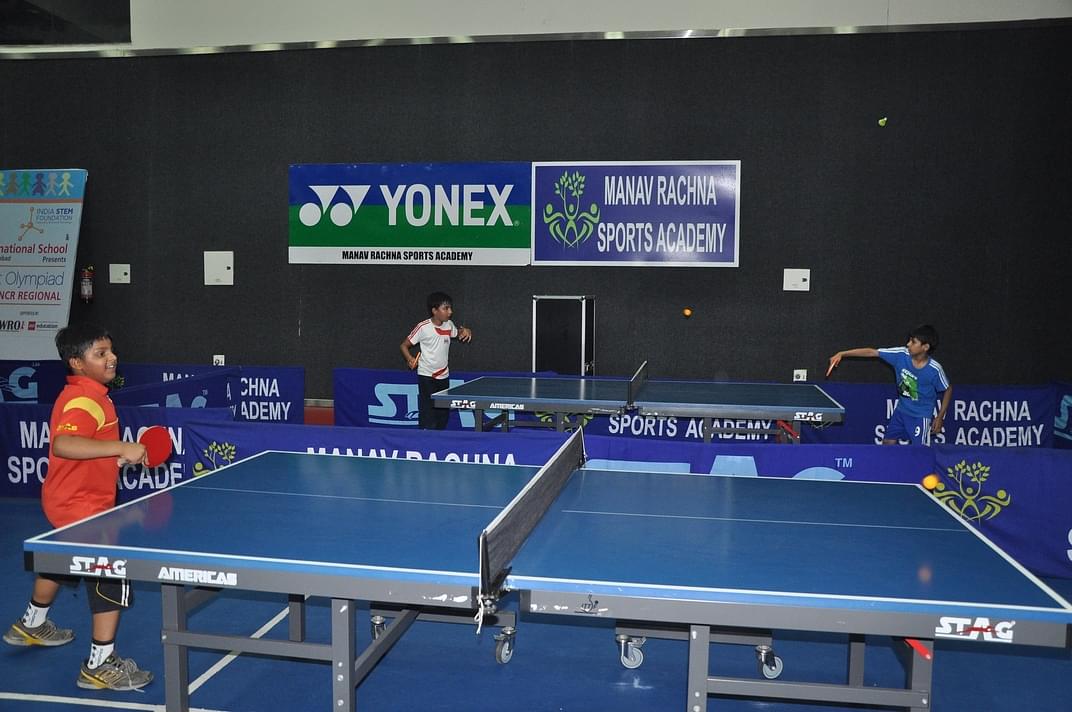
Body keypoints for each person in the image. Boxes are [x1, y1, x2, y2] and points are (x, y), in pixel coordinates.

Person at [3, 323, 154, 691]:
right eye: (100, 353)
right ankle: (99, 665)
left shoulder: (88, 394)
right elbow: (64, 444)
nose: (111, 357)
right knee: (110, 574)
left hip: (67, 499)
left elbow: (86, 446)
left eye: (110, 350)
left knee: (63, 560)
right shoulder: (85, 400)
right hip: (81, 506)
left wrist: (113, 459)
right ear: (76, 362)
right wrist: (121, 447)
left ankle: (31, 624)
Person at [828, 324, 952, 446]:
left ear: (925, 347)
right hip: (901, 411)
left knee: (920, 452)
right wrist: (842, 354)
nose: (908, 344)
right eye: (909, 340)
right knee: (887, 443)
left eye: (913, 342)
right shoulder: (900, 355)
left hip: (920, 416)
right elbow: (872, 352)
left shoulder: (934, 369)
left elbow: (948, 389)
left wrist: (940, 417)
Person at [401, 292, 472, 429]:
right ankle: (425, 438)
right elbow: (404, 345)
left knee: (443, 414)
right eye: (446, 308)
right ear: (434, 310)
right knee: (428, 414)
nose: (450, 312)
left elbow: (458, 333)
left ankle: (439, 439)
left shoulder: (449, 325)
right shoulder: (423, 327)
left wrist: (466, 330)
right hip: (427, 375)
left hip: (444, 376)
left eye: (450, 308)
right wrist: (410, 358)